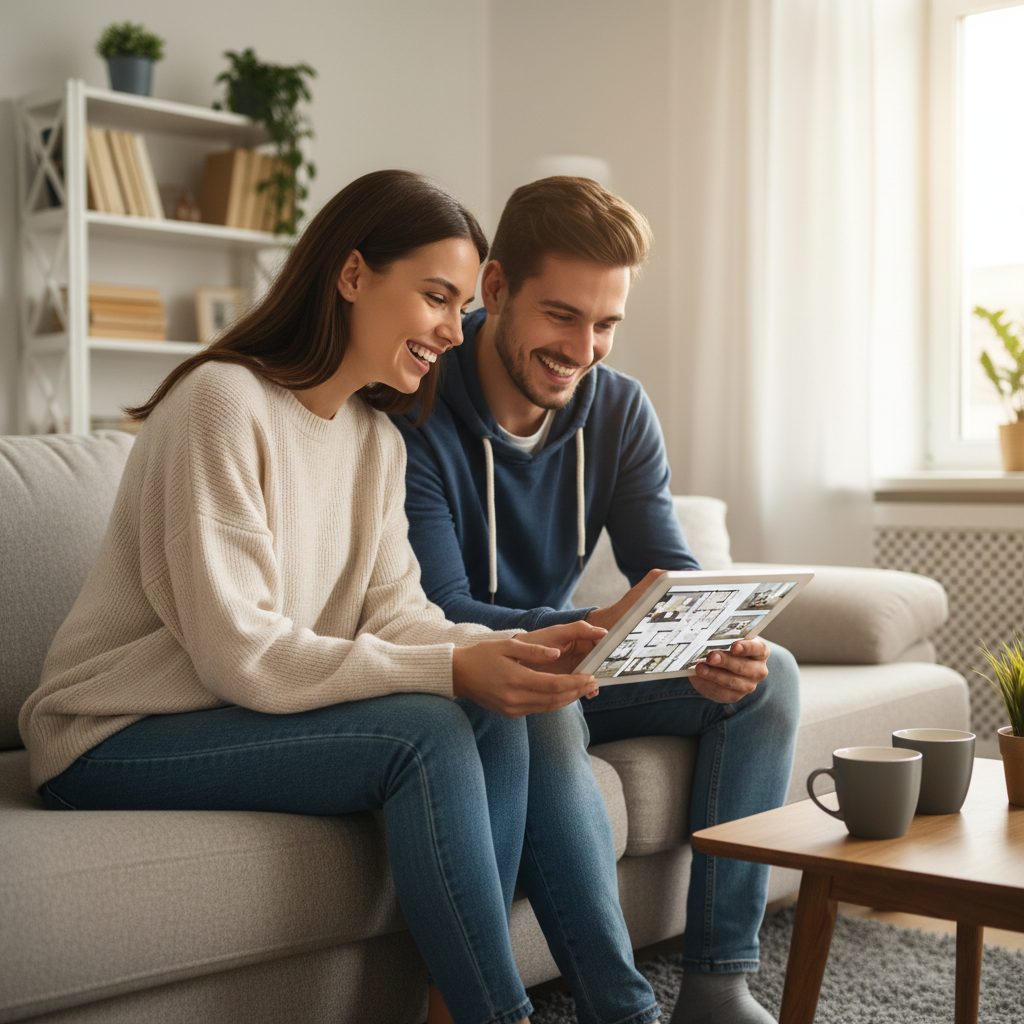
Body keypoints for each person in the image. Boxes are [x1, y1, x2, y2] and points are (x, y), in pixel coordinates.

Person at [18, 170, 661, 1024]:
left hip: (229, 710)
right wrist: (453, 673)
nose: (451, 327)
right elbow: (241, 652)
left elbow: (402, 615)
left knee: (518, 705)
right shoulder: (222, 403)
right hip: (111, 733)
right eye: (436, 297)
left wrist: (498, 654)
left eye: (461, 301)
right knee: (430, 728)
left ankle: (590, 1010)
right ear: (353, 276)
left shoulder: (372, 440)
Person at [396, 176, 802, 1024]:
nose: (584, 348)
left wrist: (714, 641)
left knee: (771, 677)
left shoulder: (617, 409)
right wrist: (584, 629)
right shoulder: (418, 405)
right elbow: (440, 607)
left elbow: (670, 574)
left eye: (606, 323)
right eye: (563, 316)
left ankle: (720, 983)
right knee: (540, 705)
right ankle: (623, 1011)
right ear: (498, 289)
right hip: (471, 668)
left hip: (571, 655)